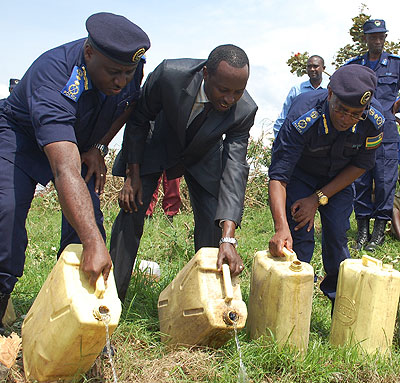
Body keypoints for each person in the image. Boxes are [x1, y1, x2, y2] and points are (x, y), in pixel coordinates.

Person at [0, 12, 150, 333]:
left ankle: (70, 317)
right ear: (89, 52)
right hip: (20, 140)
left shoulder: (128, 71)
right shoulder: (54, 76)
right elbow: (64, 168)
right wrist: (95, 242)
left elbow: (129, 105)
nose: (121, 80)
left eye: (128, 72)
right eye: (114, 72)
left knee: (87, 225)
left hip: (78, 141)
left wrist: (98, 145)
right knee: (7, 216)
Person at [110, 44, 258, 301]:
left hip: (203, 153)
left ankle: (204, 305)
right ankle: (111, 296)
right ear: (206, 74)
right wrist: (132, 175)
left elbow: (235, 168)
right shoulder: (170, 74)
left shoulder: (244, 110)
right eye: (223, 90)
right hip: (158, 141)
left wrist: (229, 238)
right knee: (133, 208)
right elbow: (139, 118)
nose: (229, 99)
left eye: (238, 92)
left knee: (214, 219)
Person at [268, 65, 384, 305]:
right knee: (299, 236)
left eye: (356, 114)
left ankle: (339, 303)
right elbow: (279, 175)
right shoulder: (302, 113)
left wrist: (318, 198)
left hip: (338, 181)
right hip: (301, 175)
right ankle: (296, 303)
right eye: (342, 110)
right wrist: (281, 228)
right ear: (330, 93)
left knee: (337, 237)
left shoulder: (373, 121)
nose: (347, 119)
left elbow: (361, 165)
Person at [347, 19, 400, 251]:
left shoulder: (396, 64)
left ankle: (378, 232)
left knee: (386, 181)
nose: (377, 40)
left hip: (387, 132)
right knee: (360, 180)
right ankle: (362, 231)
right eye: (373, 36)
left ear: (385, 38)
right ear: (365, 39)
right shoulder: (355, 65)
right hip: (360, 131)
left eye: (381, 36)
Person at [272, 55, 326, 138]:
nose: (312, 69)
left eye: (315, 66)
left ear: (323, 68)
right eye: (309, 67)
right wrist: (278, 139)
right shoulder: (297, 90)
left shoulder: (329, 90)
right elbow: (284, 115)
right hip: (298, 138)